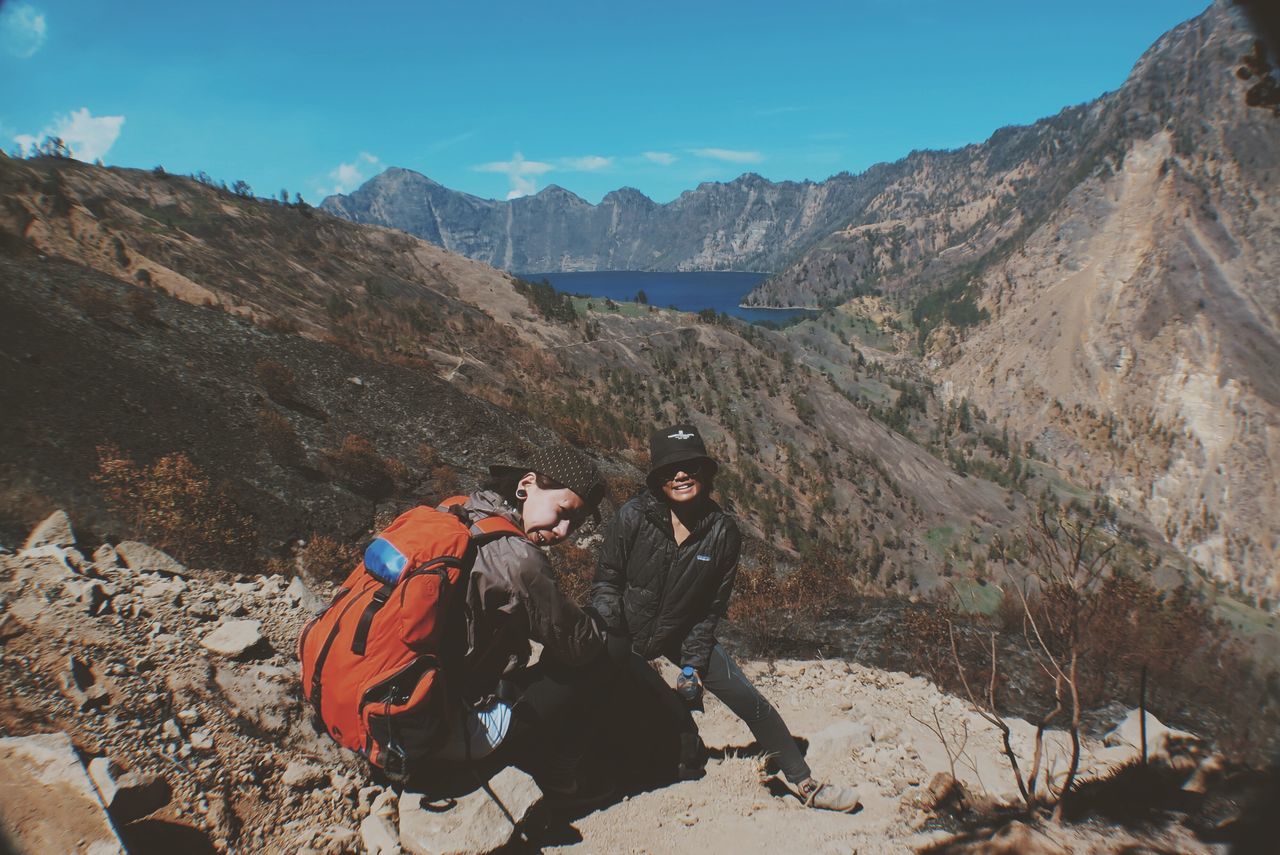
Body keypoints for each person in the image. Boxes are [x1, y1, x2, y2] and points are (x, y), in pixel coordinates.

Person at [591, 424, 861, 812]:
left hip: (680, 631)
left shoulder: (723, 533)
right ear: (657, 478)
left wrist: (694, 666)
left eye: (690, 467)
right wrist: (614, 639)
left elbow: (709, 609)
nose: (681, 475)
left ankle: (804, 782)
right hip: (622, 626)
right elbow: (607, 582)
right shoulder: (632, 517)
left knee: (748, 699)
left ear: (706, 473)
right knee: (604, 701)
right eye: (670, 469)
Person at [426, 444, 612, 797]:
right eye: (562, 511)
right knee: (600, 660)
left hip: (383, 695)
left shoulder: (456, 508)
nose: (562, 530)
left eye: (576, 522)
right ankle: (558, 779)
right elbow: (580, 647)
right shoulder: (521, 559)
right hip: (437, 729)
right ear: (526, 484)